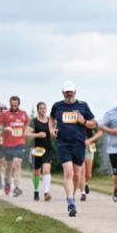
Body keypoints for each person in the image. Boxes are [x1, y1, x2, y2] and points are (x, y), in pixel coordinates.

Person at [49, 82, 96, 217]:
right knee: (68, 172)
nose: (69, 93)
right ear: (63, 93)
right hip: (63, 143)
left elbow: (93, 124)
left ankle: (72, 197)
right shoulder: (57, 106)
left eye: (71, 91)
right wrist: (51, 129)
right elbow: (51, 118)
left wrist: (84, 121)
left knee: (76, 175)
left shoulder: (83, 105)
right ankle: (70, 202)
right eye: (66, 91)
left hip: (79, 144)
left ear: (75, 92)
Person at [0, 95, 29, 197]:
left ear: (19, 104)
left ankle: (17, 187)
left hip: (20, 143)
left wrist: (25, 132)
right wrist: (5, 128)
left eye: (16, 105)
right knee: (9, 166)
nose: (14, 107)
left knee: (17, 164)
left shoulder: (24, 114)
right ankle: (7, 183)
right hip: (8, 144)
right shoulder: (5, 114)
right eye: (12, 105)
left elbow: (28, 124)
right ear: (10, 104)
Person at [27, 102, 54, 201]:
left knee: (46, 169)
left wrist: (55, 134)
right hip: (36, 149)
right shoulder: (33, 121)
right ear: (38, 110)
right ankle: (36, 190)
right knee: (36, 172)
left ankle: (46, 193)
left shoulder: (50, 121)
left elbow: (53, 132)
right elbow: (26, 134)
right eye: (41, 108)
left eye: (44, 108)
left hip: (47, 149)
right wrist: (38, 135)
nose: (43, 110)